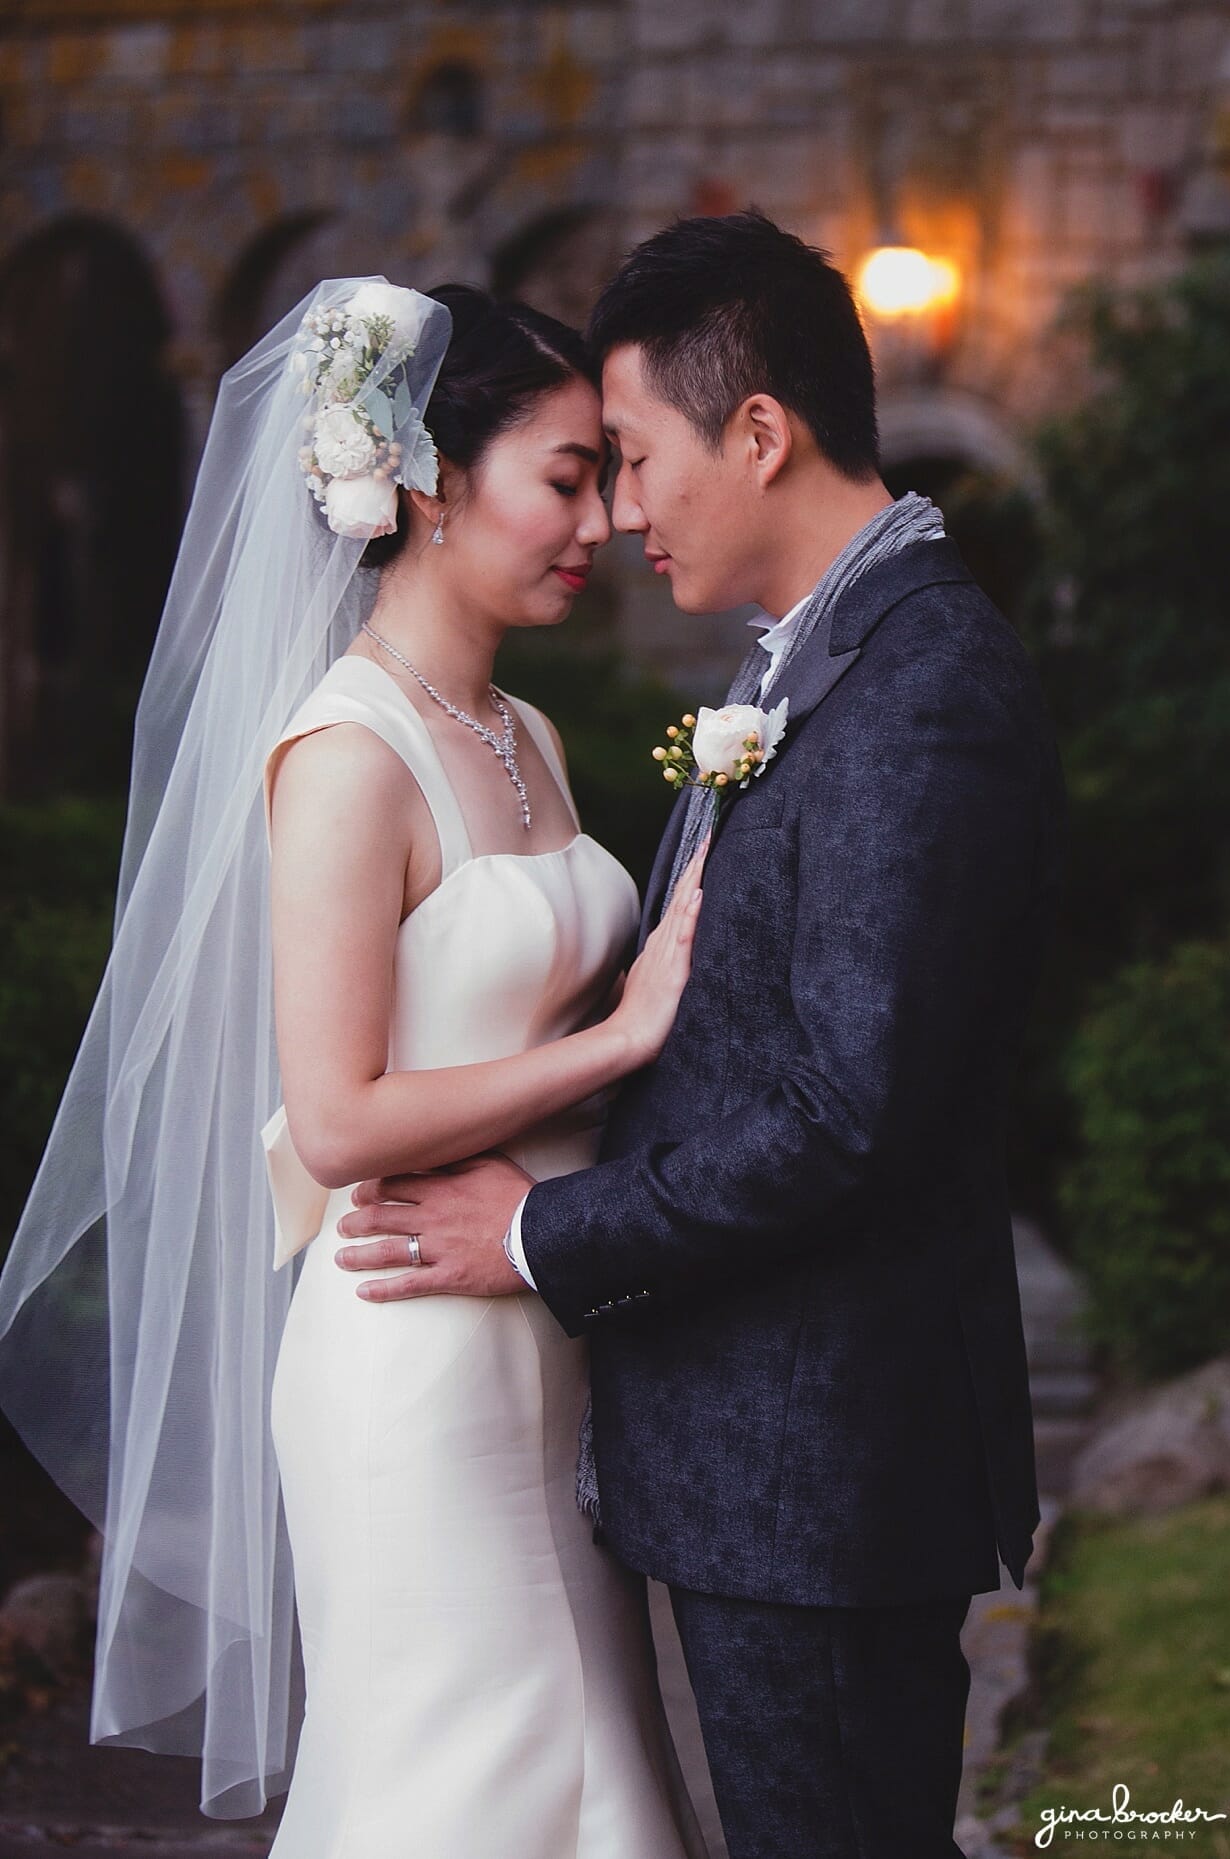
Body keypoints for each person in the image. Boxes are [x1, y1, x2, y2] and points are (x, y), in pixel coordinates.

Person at [334, 212, 1068, 1859]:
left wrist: (532, 1227)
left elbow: (841, 1113)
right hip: (761, 1453)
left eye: (644, 456)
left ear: (760, 430)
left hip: (819, 1466)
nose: (627, 507)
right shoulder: (822, 664)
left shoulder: (919, 688)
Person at [0, 274, 706, 1857]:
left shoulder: (526, 734)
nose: (602, 519)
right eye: (570, 475)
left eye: (606, 478)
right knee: (463, 1784)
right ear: (436, 483)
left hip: (547, 1322)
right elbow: (336, 1117)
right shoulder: (345, 752)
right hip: (408, 1350)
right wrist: (628, 1033)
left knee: (604, 1772)